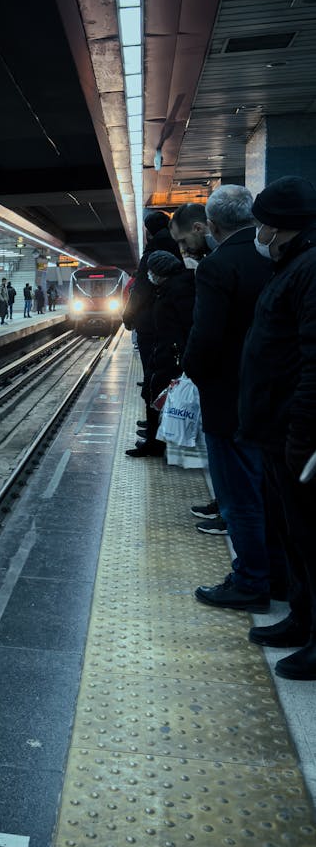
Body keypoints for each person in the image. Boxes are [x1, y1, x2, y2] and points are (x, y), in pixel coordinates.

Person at [178, 187, 278, 609]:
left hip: (228, 398)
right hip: (272, 395)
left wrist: (192, 373)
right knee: (270, 492)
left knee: (238, 495)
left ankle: (251, 581)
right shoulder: (276, 258)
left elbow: (206, 337)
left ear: (212, 224)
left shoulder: (217, 266)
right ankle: (280, 579)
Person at [237, 176, 316, 680]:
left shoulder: (309, 270)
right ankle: (302, 621)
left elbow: (313, 362)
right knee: (294, 538)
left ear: (281, 227)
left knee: (311, 540)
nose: (258, 233)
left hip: (294, 436)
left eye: (262, 224)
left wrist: (302, 439)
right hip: (275, 430)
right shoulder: (293, 265)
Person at [126, 250, 195, 458]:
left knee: (158, 395)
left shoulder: (177, 291)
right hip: (166, 352)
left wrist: (178, 354)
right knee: (154, 394)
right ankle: (156, 440)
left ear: (160, 271)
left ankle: (156, 444)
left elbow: (183, 325)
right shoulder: (171, 288)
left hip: (171, 355)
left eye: (151, 271)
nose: (149, 275)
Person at [122, 212, 181, 387]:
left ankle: (153, 406)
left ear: (149, 232)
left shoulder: (151, 253)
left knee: (152, 367)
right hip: (175, 320)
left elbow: (140, 289)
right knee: (170, 367)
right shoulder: (180, 247)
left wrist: (128, 315)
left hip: (150, 321)